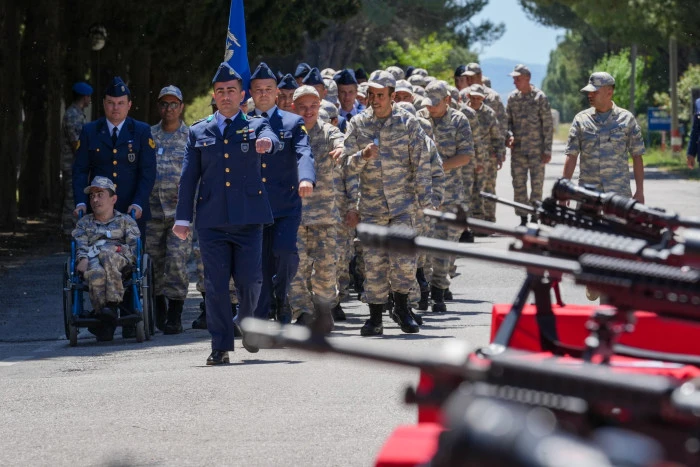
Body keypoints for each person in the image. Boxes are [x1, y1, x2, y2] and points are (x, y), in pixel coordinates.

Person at [173, 62, 280, 365]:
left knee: (251, 281)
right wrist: (182, 218)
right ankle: (220, 346)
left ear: (242, 94)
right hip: (213, 221)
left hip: (248, 219)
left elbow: (272, 139)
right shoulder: (198, 131)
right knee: (216, 286)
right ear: (214, 95)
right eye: (220, 91)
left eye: (231, 90)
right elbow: (188, 178)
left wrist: (268, 143)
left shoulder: (256, 125)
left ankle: (245, 320)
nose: (225, 95)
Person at [344, 70, 433, 336]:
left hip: (403, 205)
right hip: (371, 206)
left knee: (404, 261)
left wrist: (425, 201)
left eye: (380, 95)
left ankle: (402, 309)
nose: (375, 100)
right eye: (371, 94)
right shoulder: (358, 123)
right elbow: (346, 165)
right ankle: (375, 318)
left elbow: (421, 163)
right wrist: (362, 156)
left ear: (392, 96)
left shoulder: (408, 123)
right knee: (374, 263)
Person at [248, 62, 315, 324]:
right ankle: (266, 311)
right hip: (254, 206)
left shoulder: (293, 121)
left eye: (268, 89)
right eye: (258, 89)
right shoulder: (242, 123)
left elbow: (303, 153)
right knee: (260, 263)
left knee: (285, 252)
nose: (263, 94)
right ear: (251, 93)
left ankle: (282, 292)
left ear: (277, 92)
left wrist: (306, 178)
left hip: (285, 204)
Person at [288, 85, 345, 332]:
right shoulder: (287, 133)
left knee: (326, 267)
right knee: (296, 267)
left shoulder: (329, 131)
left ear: (319, 106)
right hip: (295, 215)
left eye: (313, 106)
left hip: (324, 215)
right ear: (293, 107)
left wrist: (341, 149)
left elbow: (341, 141)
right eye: (302, 106)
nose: (308, 111)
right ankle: (302, 312)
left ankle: (323, 309)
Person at [73, 77, 157, 237]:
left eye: (121, 103)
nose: (115, 108)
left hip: (131, 210)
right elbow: (80, 171)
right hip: (97, 211)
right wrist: (81, 202)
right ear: (104, 103)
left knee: (132, 252)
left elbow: (148, 172)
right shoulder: (90, 131)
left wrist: (138, 203)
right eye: (111, 103)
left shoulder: (141, 131)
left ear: (129, 105)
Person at [417, 81, 474, 313]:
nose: (430, 108)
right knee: (424, 244)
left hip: (449, 194)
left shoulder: (459, 120)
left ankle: (439, 290)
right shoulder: (418, 118)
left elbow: (465, 156)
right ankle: (424, 289)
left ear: (447, 100)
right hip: (424, 193)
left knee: (444, 245)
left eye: (435, 103)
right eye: (427, 103)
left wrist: (436, 167)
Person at [73, 176, 140, 342]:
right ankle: (105, 318)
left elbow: (134, 249)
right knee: (96, 272)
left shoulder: (126, 221)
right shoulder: (84, 223)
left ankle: (111, 306)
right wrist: (82, 258)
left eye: (100, 195)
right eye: (92, 196)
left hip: (119, 259)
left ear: (113, 199)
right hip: (93, 259)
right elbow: (80, 245)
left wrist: (115, 249)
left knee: (107, 254)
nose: (95, 200)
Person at [146, 85, 190, 335]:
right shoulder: (149, 135)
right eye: (164, 104)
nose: (169, 109)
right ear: (158, 107)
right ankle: (159, 309)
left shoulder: (191, 136)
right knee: (152, 264)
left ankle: (175, 314)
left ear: (181, 107)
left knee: (176, 261)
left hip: (179, 215)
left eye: (174, 104)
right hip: (152, 213)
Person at [563, 72, 645, 201]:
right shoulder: (581, 120)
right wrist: (564, 191)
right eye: (589, 92)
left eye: (594, 92)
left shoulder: (627, 119)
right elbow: (571, 155)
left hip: (618, 194)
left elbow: (637, 156)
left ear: (609, 92)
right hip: (588, 193)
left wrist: (640, 191)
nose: (590, 95)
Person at [506, 64, 554, 225]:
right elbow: (507, 123)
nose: (515, 82)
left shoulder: (540, 98)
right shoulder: (512, 98)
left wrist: (547, 150)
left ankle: (535, 216)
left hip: (536, 151)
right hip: (518, 151)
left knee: (536, 186)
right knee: (519, 185)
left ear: (527, 78)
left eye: (518, 79)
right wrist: (509, 136)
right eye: (514, 79)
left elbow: (547, 125)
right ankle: (523, 218)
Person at [467, 84, 505, 223]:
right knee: (469, 189)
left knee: (488, 189)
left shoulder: (489, 113)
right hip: (468, 158)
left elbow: (497, 136)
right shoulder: (463, 111)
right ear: (468, 96)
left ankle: (489, 220)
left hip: (487, 159)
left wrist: (499, 154)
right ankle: (472, 221)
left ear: (483, 98)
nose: (475, 101)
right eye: (473, 97)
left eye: (479, 98)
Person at [61, 82, 93, 238]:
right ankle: (69, 232)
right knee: (71, 199)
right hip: (72, 164)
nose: (90, 100)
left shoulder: (77, 113)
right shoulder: (73, 115)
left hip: (75, 163)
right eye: (89, 97)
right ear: (85, 97)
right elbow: (76, 143)